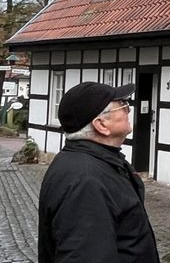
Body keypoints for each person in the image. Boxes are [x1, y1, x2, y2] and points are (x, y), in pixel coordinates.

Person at [37, 81, 159, 263]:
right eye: (122, 105)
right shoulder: (85, 180)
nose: (129, 110)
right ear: (101, 124)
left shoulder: (98, 163)